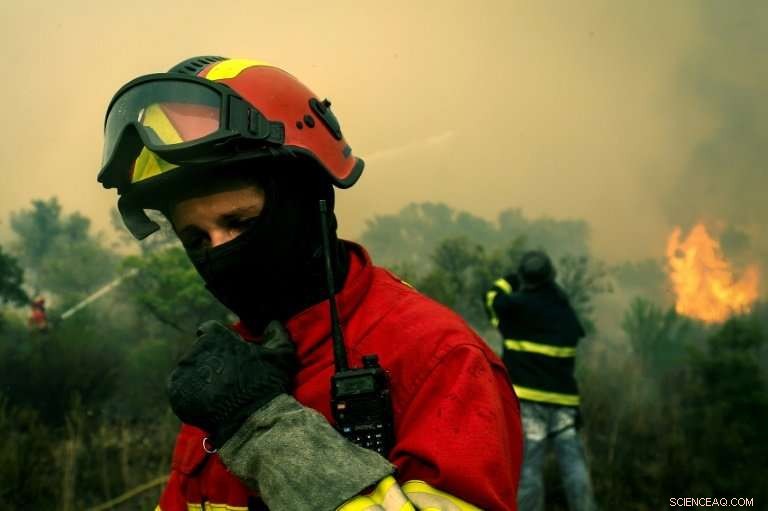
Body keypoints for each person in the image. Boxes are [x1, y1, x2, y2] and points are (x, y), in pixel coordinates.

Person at [98, 56, 522, 511]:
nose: (220, 252)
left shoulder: (439, 359)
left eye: (239, 221)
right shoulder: (228, 371)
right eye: (196, 238)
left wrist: (265, 430)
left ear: (307, 201)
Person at [485, 251, 597, 511]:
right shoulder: (565, 312)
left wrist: (511, 279)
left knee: (528, 470)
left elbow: (491, 298)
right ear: (550, 277)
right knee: (574, 467)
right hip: (564, 405)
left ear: (525, 277)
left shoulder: (515, 308)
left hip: (528, 403)